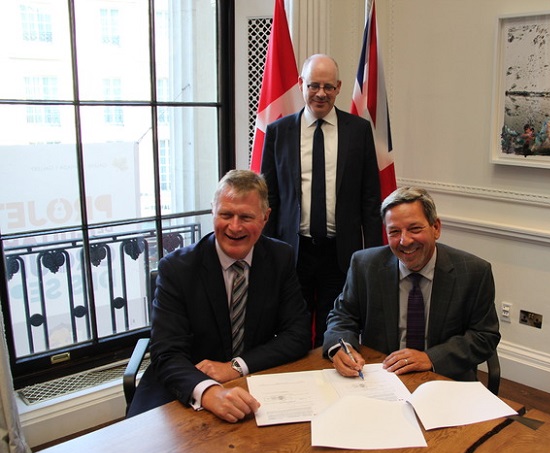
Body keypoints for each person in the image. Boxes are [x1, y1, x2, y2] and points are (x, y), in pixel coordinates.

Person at [127, 170, 311, 422]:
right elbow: (167, 353)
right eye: (226, 214)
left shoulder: (281, 258)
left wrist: (235, 366)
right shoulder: (177, 269)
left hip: (252, 379)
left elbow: (297, 334)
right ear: (212, 211)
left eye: (246, 216)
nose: (234, 227)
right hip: (183, 383)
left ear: (265, 217)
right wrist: (208, 392)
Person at [261, 54, 383, 347]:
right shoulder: (279, 132)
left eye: (328, 87)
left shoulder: (359, 131)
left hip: (340, 252)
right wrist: (265, 250)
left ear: (339, 87)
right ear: (301, 84)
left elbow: (370, 198)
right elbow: (270, 197)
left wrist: (376, 254)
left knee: (335, 329)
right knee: (293, 328)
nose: (320, 93)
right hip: (293, 250)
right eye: (314, 85)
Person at [323, 187, 500, 382]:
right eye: (394, 232)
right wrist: (341, 346)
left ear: (436, 228)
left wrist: (431, 357)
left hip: (443, 378)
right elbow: (342, 315)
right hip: (382, 377)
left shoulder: (474, 272)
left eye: (415, 229)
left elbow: (485, 336)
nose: (404, 241)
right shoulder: (365, 265)